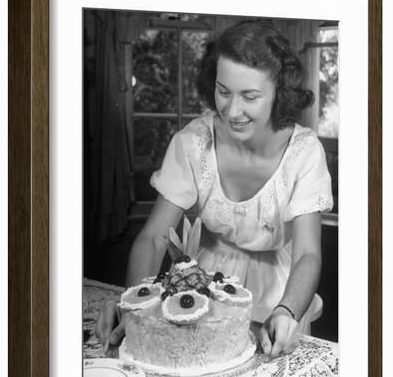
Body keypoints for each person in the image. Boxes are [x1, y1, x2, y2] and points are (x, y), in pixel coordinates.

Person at [96, 18, 333, 359]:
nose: (232, 111)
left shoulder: (305, 151)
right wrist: (132, 302)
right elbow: (153, 238)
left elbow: (308, 253)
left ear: (280, 93)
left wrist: (287, 311)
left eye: (249, 96)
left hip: (281, 291)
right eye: (224, 92)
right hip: (205, 284)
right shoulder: (193, 142)